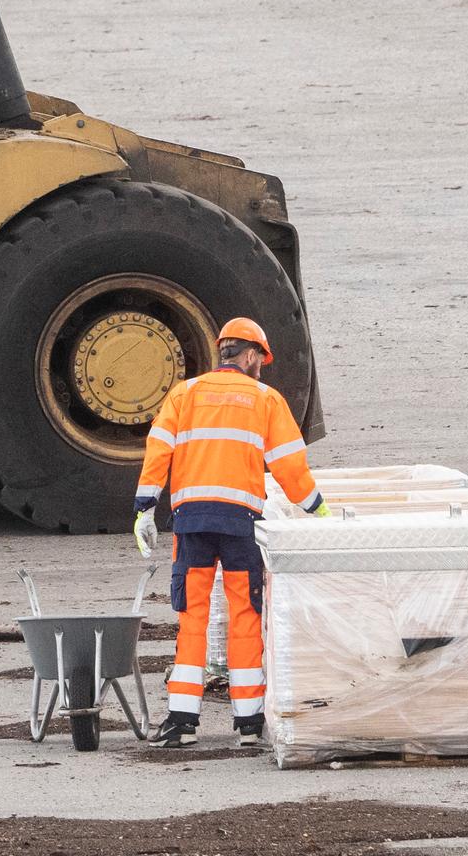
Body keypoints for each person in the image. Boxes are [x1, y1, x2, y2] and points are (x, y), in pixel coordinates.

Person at [131, 316, 320, 747]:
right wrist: (319, 511)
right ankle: (250, 726)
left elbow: (157, 452)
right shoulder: (264, 399)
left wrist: (144, 508)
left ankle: (181, 722)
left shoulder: (185, 394)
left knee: (192, 617)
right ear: (250, 354)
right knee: (245, 616)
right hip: (241, 524)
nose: (262, 367)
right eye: (262, 359)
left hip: (193, 522)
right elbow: (291, 467)